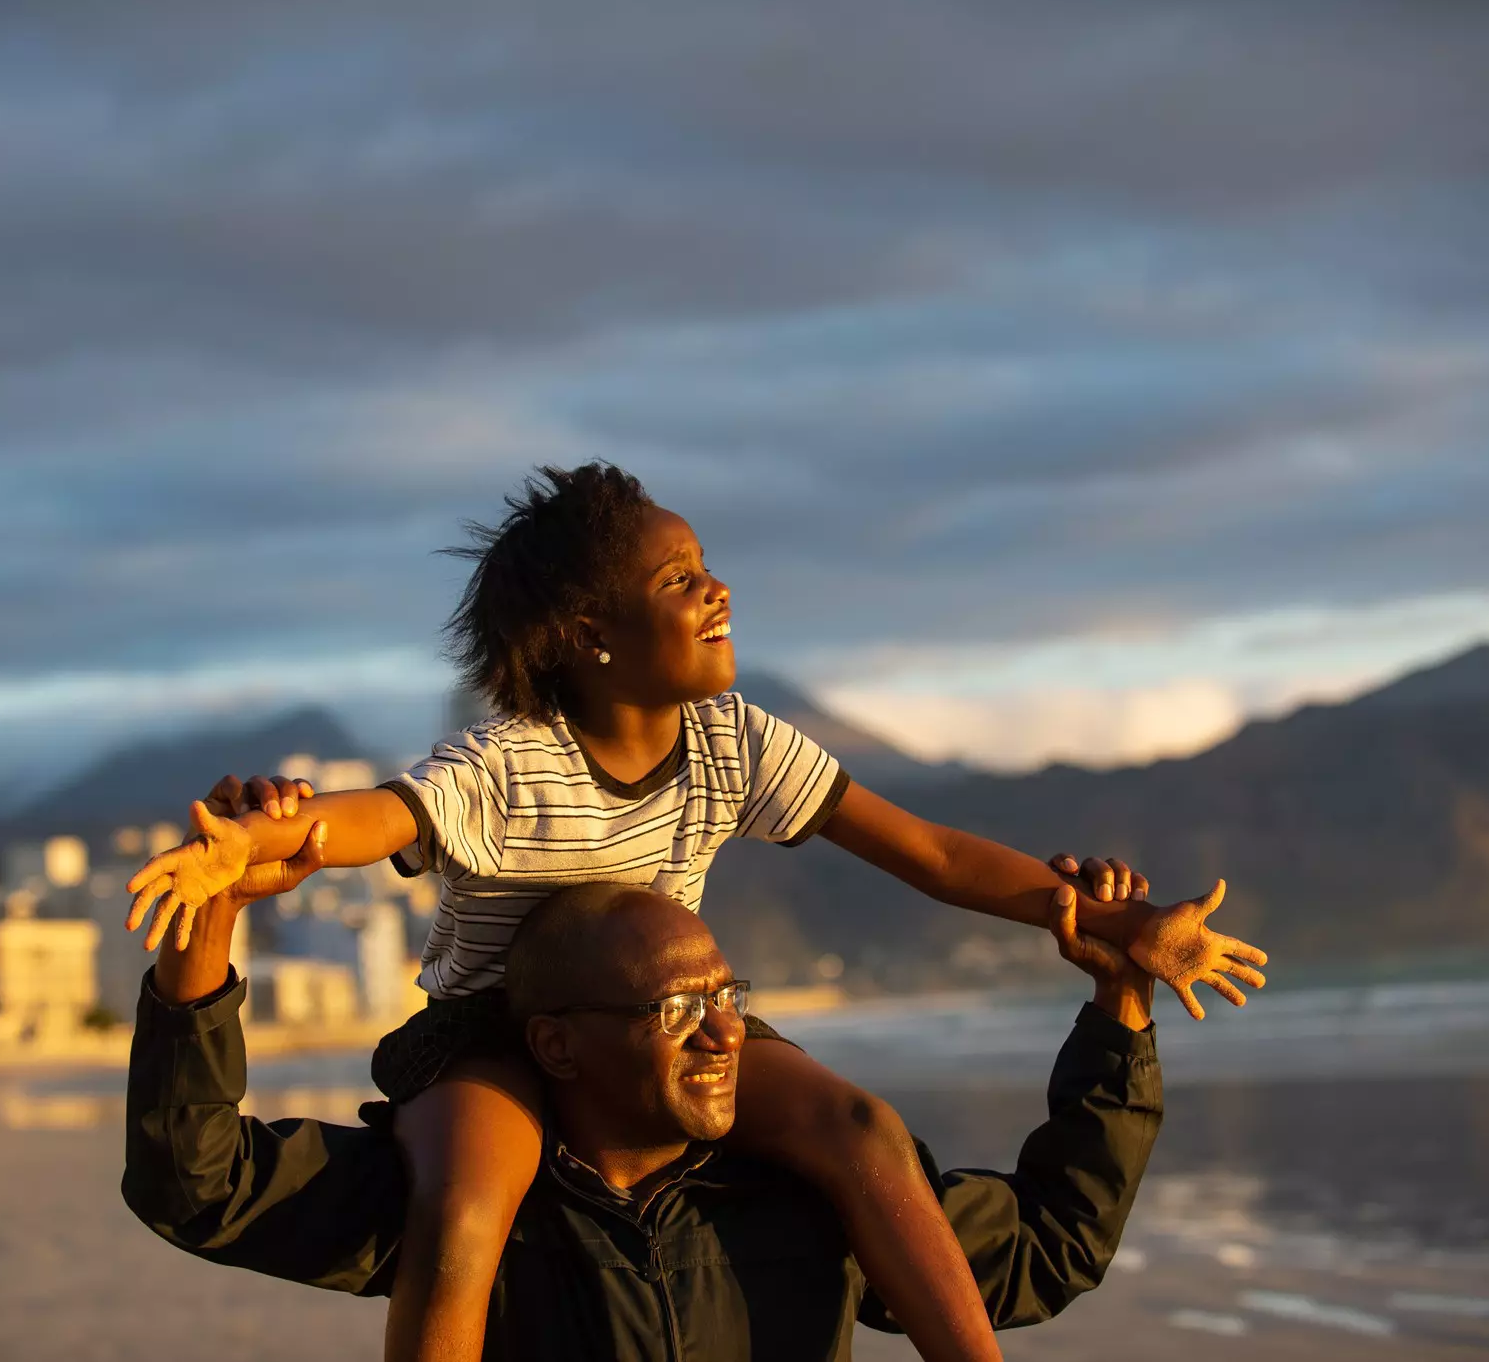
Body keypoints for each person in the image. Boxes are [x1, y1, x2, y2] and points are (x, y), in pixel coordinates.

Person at [124, 462, 1264, 1362]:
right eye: (678, 579)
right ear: (587, 631)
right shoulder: (510, 764)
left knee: (861, 1133)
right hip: (487, 1031)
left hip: (671, 1017)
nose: (716, 589)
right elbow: (370, 818)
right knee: (469, 1197)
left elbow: (928, 852)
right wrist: (263, 843)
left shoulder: (734, 744)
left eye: (706, 566)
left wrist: (1116, 932)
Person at [123, 856, 1168, 1362]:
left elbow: (1046, 1256)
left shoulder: (807, 1197)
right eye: (676, 1010)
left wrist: (1119, 1009)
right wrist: (209, 922)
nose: (722, 1033)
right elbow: (197, 1184)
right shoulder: (460, 1200)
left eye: (727, 999)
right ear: (556, 1043)